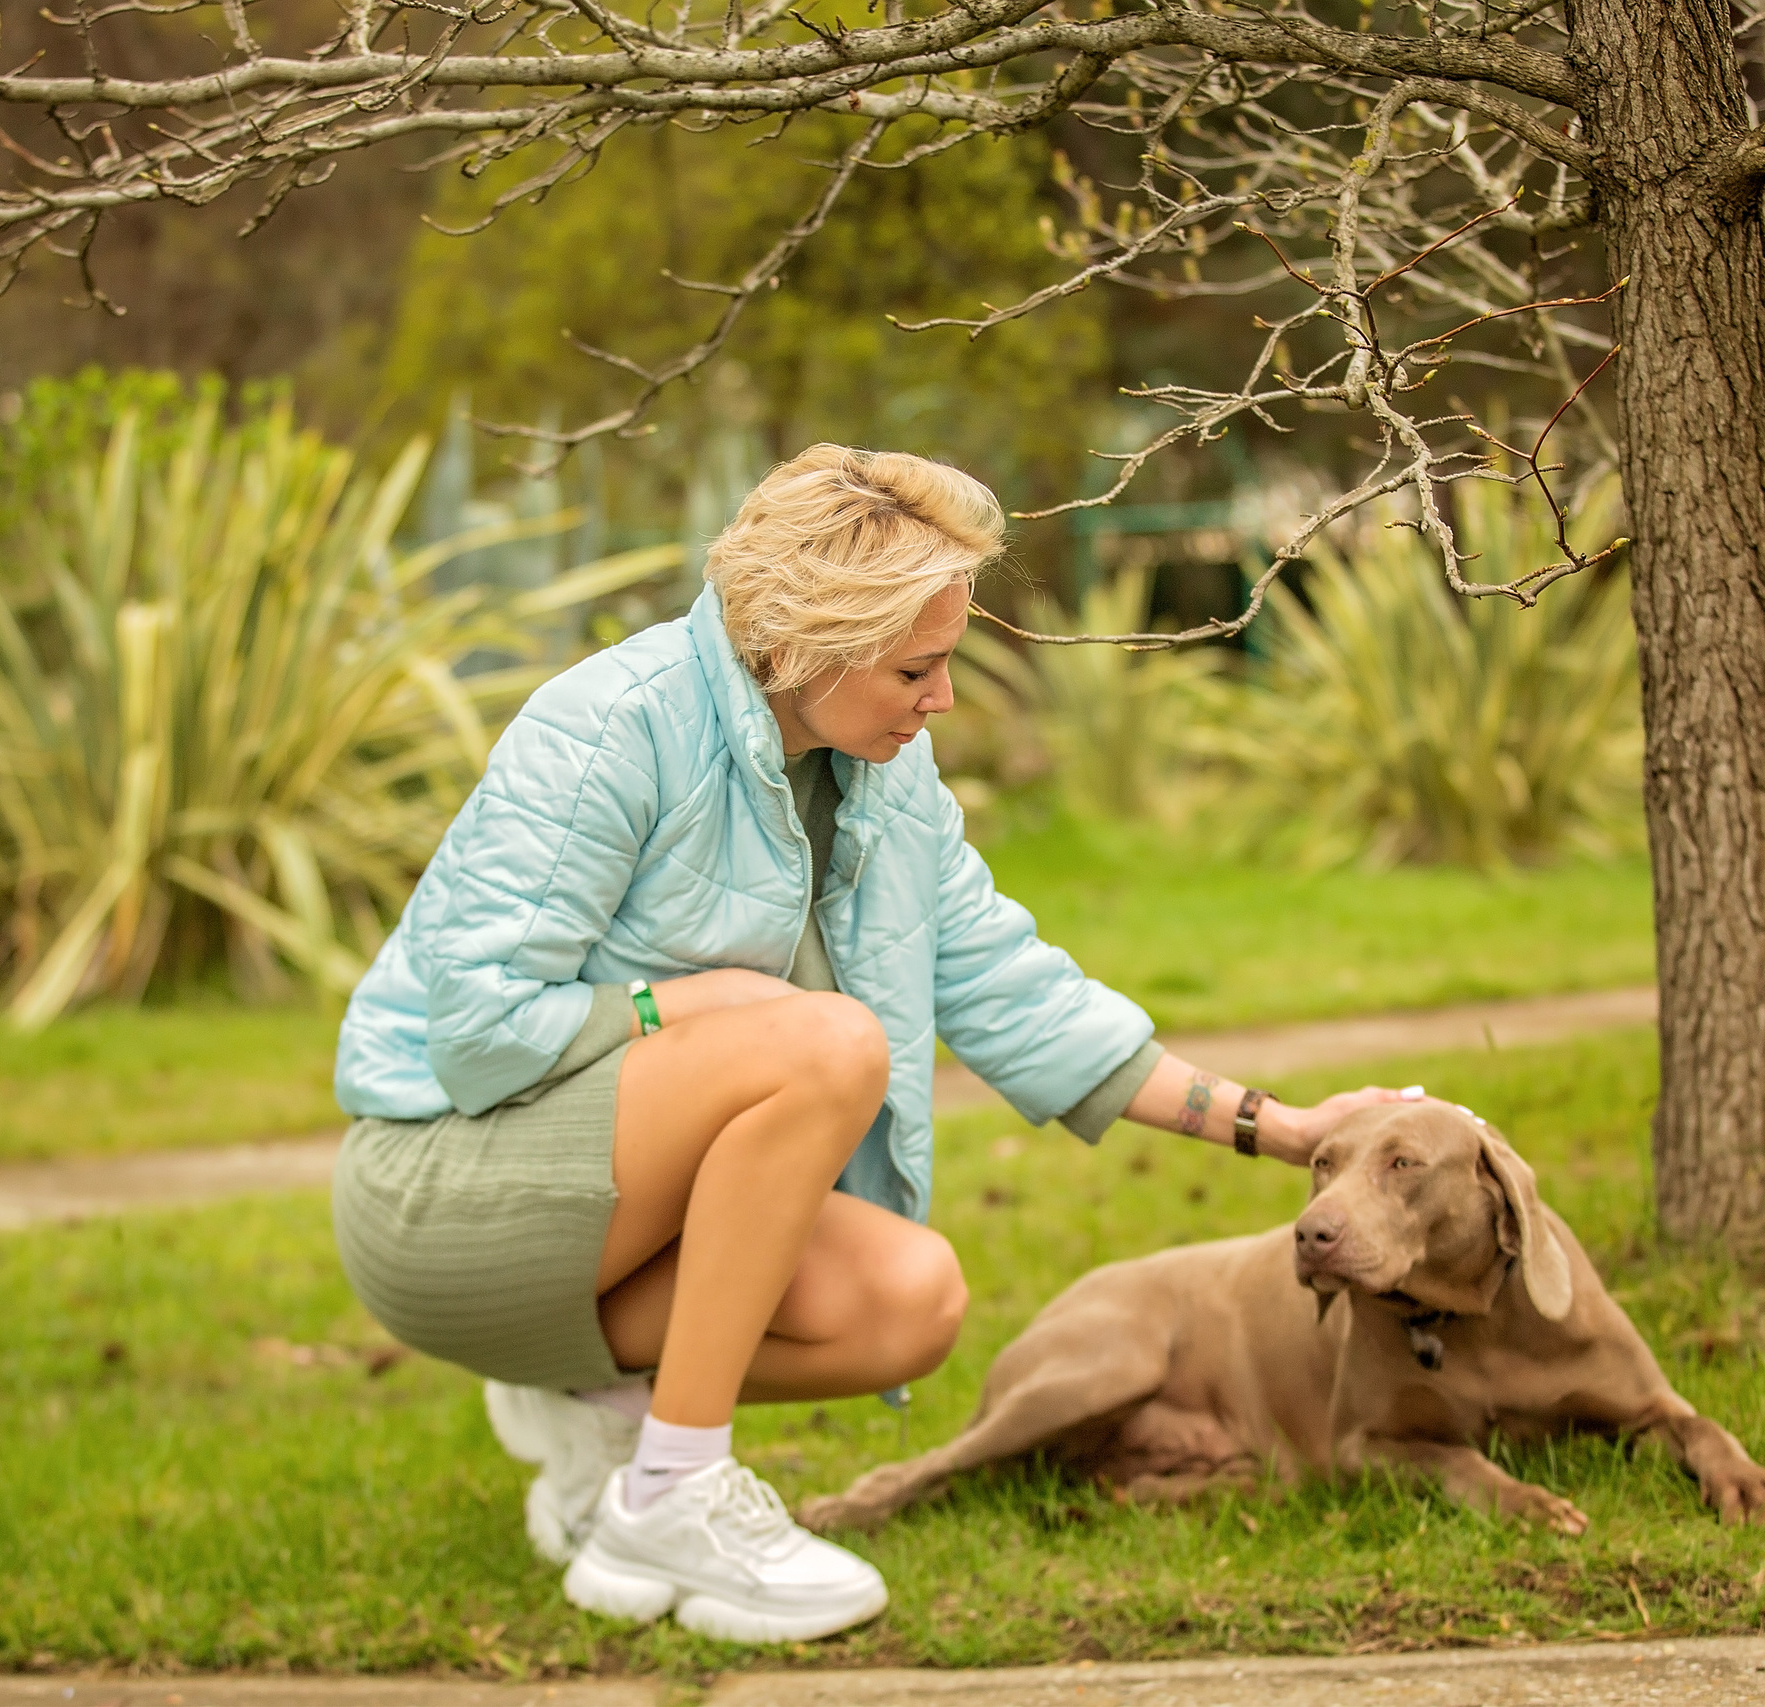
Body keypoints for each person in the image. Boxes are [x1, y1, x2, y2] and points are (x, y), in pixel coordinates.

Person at [330, 445, 1414, 1643]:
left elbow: (1006, 984)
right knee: (828, 1046)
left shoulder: (884, 775)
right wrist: (677, 1008)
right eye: (918, 667)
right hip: (436, 1196)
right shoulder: (609, 728)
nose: (941, 698)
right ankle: (674, 1489)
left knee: (910, 1300)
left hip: (602, 1225)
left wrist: (1279, 1126)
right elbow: (476, 1031)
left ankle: (598, 1415)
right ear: (803, 646)